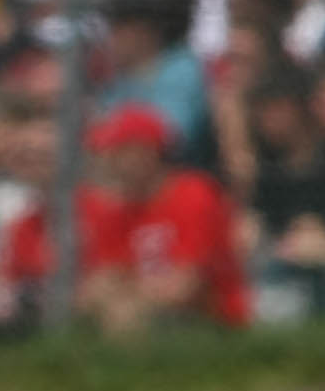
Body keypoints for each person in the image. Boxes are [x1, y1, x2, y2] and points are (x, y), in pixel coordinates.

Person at [74, 107, 249, 336]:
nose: (109, 162)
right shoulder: (117, 209)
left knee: (125, 313)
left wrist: (127, 291)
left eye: (117, 152)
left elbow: (186, 287)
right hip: (151, 310)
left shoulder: (193, 193)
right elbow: (101, 282)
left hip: (211, 318)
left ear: (146, 152)